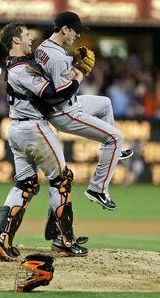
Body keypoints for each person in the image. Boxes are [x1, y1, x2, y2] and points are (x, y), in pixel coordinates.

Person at [0, 22, 88, 261]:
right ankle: (64, 240)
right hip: (34, 129)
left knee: (26, 183)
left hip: (17, 128)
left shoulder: (16, 65)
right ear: (15, 41)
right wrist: (79, 77)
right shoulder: (22, 68)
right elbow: (53, 96)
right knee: (62, 180)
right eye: (26, 35)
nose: (31, 37)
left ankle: (1, 237)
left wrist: (70, 68)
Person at [35, 11, 133, 213]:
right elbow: (61, 92)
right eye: (75, 31)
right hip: (64, 111)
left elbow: (54, 75)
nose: (77, 35)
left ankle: (111, 151)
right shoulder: (57, 58)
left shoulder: (44, 47)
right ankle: (97, 189)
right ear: (65, 29)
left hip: (68, 104)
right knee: (116, 137)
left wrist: (72, 63)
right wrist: (79, 74)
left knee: (105, 103)